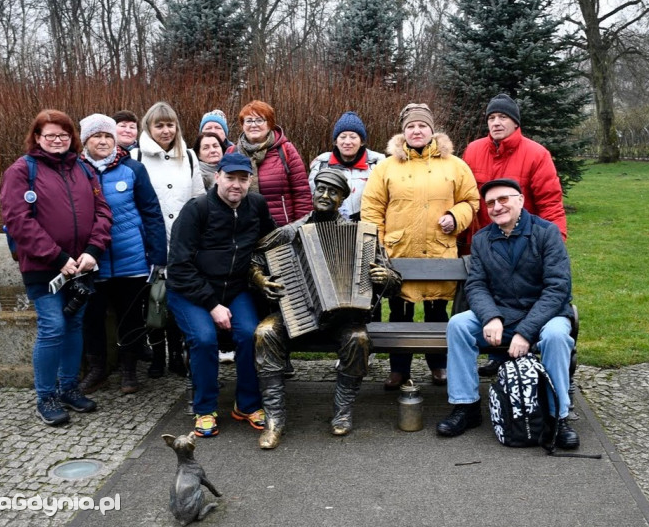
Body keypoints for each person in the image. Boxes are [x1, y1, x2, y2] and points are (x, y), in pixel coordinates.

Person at [251, 169, 401, 449]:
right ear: (313, 191)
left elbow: (394, 280)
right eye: (320, 189)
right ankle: (274, 420)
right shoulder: (289, 232)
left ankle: (342, 412)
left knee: (358, 339)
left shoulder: (362, 236)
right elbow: (256, 258)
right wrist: (259, 278)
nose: (324, 195)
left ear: (343, 198)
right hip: (296, 312)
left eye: (333, 191)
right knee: (265, 332)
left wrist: (387, 278)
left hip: (342, 319)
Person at [435, 178, 578, 450]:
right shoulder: (482, 239)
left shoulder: (546, 233)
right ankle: (466, 407)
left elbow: (558, 287)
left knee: (558, 337)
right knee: (459, 325)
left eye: (504, 199)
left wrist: (526, 331)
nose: (497, 207)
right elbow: (476, 284)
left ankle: (558, 417)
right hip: (501, 314)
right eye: (491, 203)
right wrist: (490, 317)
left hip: (547, 315)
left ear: (520, 200)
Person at [0, 109, 113, 425]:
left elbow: (103, 212)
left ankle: (68, 388)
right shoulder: (22, 171)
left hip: (82, 265)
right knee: (53, 328)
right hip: (45, 267)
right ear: (37, 138)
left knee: (74, 326)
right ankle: (45, 396)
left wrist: (92, 250)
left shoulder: (83, 169)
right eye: (50, 135)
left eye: (63, 135)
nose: (57, 140)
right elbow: (18, 221)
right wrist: (58, 257)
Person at [360, 102, 479, 390]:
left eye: (422, 126)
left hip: (440, 254)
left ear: (431, 130)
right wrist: (379, 248)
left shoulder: (455, 165)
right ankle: (399, 370)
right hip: (398, 255)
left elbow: (471, 201)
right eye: (411, 126)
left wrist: (455, 216)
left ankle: (439, 366)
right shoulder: (387, 167)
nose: (417, 130)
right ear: (403, 132)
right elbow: (372, 209)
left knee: (437, 313)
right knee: (400, 314)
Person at [166, 152, 277, 438]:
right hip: (191, 292)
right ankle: (205, 409)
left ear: (250, 180)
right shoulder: (196, 210)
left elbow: (271, 241)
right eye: (230, 178)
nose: (236, 185)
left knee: (251, 334)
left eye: (243, 178)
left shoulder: (257, 205)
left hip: (236, 288)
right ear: (217, 177)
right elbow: (178, 266)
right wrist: (212, 304)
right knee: (204, 339)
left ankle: (248, 404)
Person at [461, 93, 568, 377]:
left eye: (503, 117)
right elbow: (466, 196)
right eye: (491, 118)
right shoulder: (473, 151)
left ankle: (522, 360)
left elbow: (550, 202)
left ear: (515, 122)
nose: (496, 123)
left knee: (524, 295)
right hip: (485, 243)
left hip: (526, 240)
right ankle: (496, 357)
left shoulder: (536, 154)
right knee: (486, 298)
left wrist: (554, 244)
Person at [77, 114, 168, 395]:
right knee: (91, 318)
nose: (103, 141)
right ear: (85, 141)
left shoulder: (133, 169)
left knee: (131, 317)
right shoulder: (76, 171)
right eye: (96, 136)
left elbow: (151, 212)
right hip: (93, 261)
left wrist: (157, 255)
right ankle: (98, 369)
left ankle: (129, 370)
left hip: (132, 259)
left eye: (107, 136)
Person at [133, 102, 206, 378]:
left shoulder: (188, 156)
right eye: (159, 125)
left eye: (170, 125)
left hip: (184, 242)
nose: (165, 131)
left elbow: (199, 198)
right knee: (154, 300)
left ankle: (177, 353)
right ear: (149, 128)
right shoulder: (137, 156)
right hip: (150, 240)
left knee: (179, 299)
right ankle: (156, 355)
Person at [228, 100, 311, 226]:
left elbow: (302, 193)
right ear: (242, 125)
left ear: (270, 124)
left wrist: (300, 227)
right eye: (249, 120)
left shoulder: (285, 150)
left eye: (260, 120)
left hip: (282, 230)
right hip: (242, 230)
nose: (254, 125)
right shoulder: (232, 152)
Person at [307, 111, 385, 221]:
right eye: (342, 137)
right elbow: (311, 199)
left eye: (353, 137)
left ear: (361, 141)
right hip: (330, 229)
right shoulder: (322, 165)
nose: (347, 142)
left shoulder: (378, 164)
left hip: (368, 226)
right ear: (335, 141)